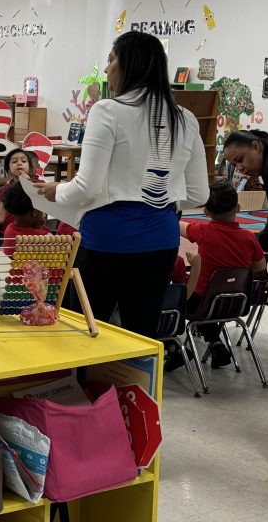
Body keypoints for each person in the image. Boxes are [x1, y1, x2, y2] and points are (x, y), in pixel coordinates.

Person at [36, 31, 209, 339]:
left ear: (130, 64)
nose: (106, 69)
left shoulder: (108, 110)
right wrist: (155, 199)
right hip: (162, 240)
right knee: (141, 336)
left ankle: (93, 375)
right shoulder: (186, 118)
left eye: (111, 59)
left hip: (107, 240)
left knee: (87, 333)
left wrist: (55, 190)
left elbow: (86, 187)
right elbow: (199, 194)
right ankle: (137, 374)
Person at [172, 181, 266, 370]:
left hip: (200, 302)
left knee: (181, 300)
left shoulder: (203, 232)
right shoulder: (249, 237)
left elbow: (177, 225)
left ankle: (175, 348)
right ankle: (215, 343)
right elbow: (260, 267)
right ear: (238, 208)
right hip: (237, 302)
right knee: (208, 304)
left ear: (206, 211)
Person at [1, 184, 50, 258]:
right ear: (34, 213)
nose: (44, 213)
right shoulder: (41, 238)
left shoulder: (9, 229)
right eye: (41, 209)